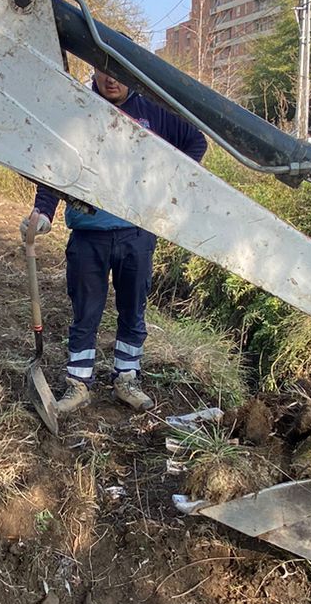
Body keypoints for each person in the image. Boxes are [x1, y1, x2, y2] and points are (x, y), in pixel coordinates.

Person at [20, 67, 207, 416]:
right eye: (103, 71)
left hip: (137, 233)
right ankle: (78, 383)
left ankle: (127, 377)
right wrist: (42, 211)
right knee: (85, 311)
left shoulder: (154, 112)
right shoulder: (78, 110)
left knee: (133, 308)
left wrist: (172, 181)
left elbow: (196, 142)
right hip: (88, 235)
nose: (111, 80)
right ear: (93, 71)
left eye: (119, 72)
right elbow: (55, 168)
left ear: (132, 74)